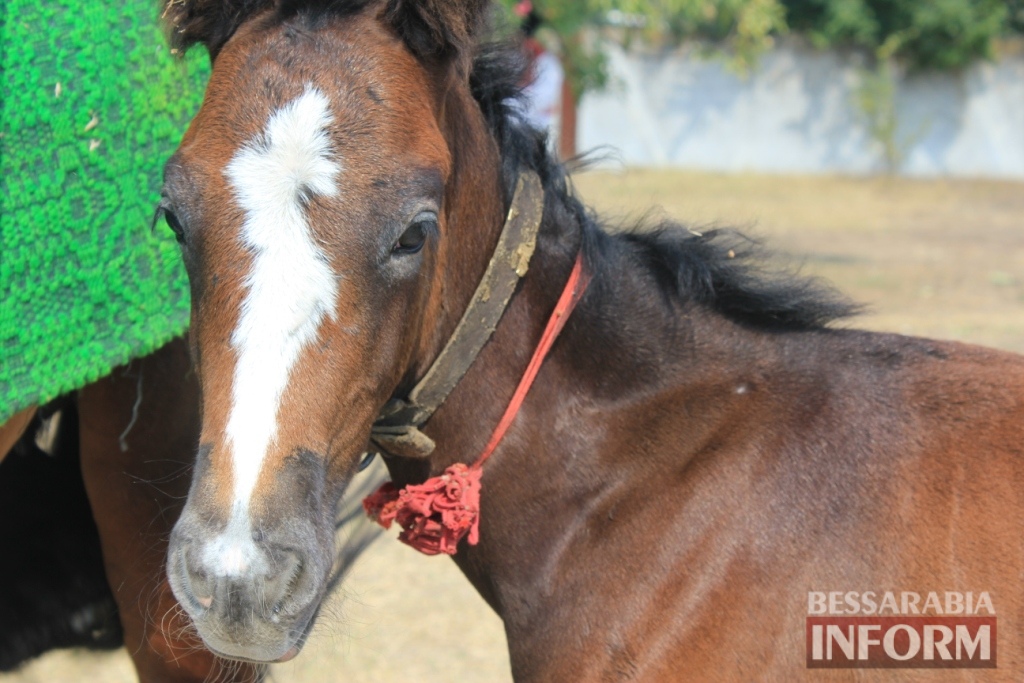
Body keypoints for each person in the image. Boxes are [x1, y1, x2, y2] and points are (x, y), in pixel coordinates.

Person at [512, 2, 565, 136]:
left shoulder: (550, 67)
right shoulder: (516, 59)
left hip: (536, 133)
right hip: (511, 128)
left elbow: (540, 101)